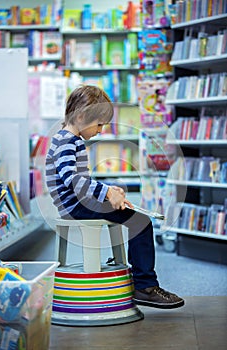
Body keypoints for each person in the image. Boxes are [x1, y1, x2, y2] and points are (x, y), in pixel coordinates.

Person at [45, 84, 185, 309]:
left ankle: (140, 280)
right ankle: (145, 286)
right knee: (140, 222)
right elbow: (72, 179)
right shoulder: (67, 142)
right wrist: (106, 192)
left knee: (126, 205)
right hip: (75, 206)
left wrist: (109, 191)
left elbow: (79, 181)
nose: (100, 130)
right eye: (98, 124)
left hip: (78, 202)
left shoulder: (68, 139)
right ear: (81, 116)